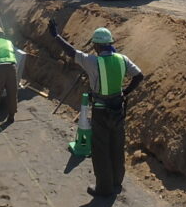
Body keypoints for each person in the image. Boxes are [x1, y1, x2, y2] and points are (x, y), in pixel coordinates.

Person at [48, 20, 144, 197]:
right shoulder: (123, 59)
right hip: (118, 111)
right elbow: (139, 76)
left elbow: (71, 52)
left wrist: (56, 36)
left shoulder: (93, 62)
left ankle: (103, 188)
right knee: (116, 146)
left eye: (94, 45)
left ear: (97, 45)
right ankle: (116, 183)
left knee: (100, 149)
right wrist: (125, 92)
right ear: (110, 44)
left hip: (101, 111)